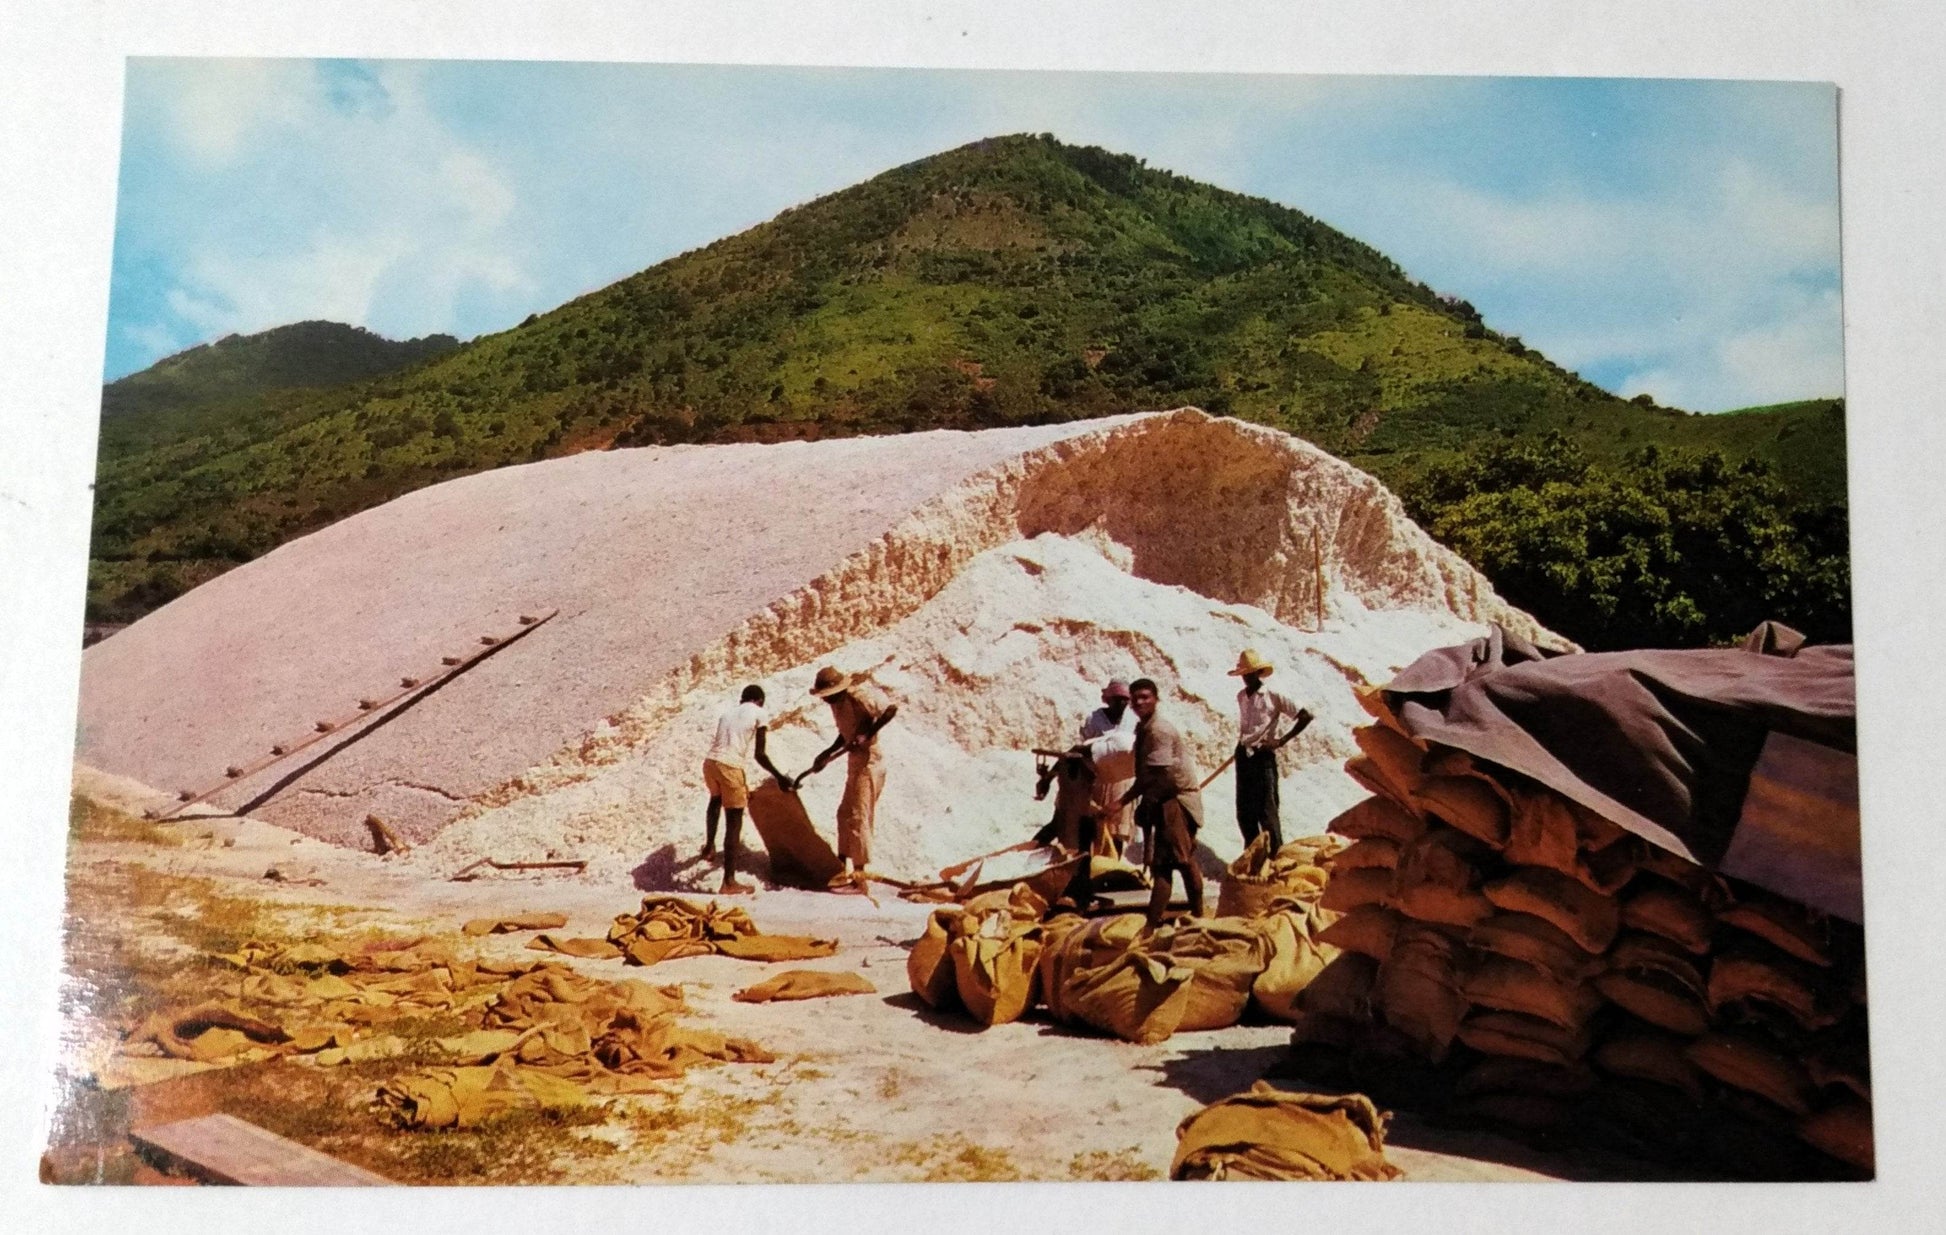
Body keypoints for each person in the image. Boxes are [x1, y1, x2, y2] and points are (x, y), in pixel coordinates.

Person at [1119, 678, 1206, 930]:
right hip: (1165, 798)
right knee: (1183, 860)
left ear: (1156, 699)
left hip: (1175, 800)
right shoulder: (1145, 728)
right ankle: (1196, 916)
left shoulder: (1159, 730)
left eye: (1145, 697)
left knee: (1167, 865)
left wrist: (1125, 801)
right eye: (1135, 698)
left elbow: (1160, 777)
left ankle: (1153, 924)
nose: (1139, 702)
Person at [799, 665, 898, 882]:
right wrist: (826, 754)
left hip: (870, 760)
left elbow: (890, 710)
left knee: (859, 814)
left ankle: (859, 870)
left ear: (838, 690)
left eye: (827, 696)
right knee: (844, 813)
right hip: (854, 761)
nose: (825, 701)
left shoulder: (859, 696)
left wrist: (868, 734)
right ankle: (839, 866)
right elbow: (845, 735)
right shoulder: (836, 704)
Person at [700, 684, 789, 895]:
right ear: (759, 700)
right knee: (734, 820)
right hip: (731, 766)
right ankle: (729, 882)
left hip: (710, 762)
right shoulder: (760, 713)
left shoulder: (727, 714)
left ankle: (709, 847)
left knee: (715, 800)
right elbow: (760, 755)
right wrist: (779, 777)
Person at [1228, 649, 1314, 853]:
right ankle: (1253, 857)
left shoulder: (1273, 696)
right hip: (1244, 755)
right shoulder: (1241, 696)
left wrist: (1281, 741)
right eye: (1244, 674)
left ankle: (1276, 858)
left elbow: (1305, 716)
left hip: (1262, 756)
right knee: (1244, 812)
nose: (1246, 678)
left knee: (1267, 812)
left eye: (1250, 673)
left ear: (1258, 673)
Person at [1079, 678, 1138, 858]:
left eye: (1125, 699)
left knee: (1117, 830)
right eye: (1117, 699)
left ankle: (1112, 866)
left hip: (1123, 782)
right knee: (1092, 826)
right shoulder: (1094, 718)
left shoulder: (1133, 719)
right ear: (1108, 699)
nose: (1121, 703)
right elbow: (1084, 747)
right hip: (1098, 779)